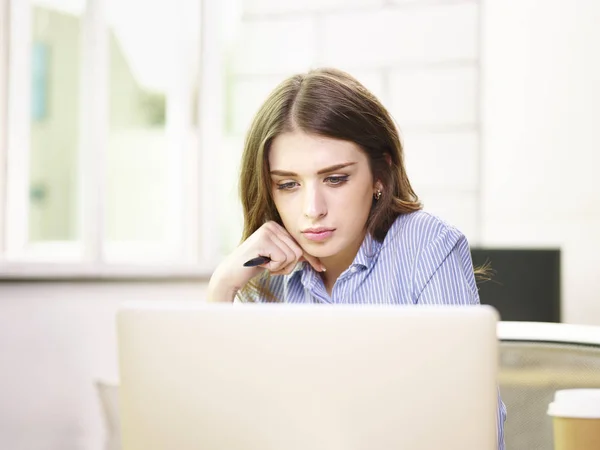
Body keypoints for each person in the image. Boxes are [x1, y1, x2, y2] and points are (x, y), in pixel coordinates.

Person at [207, 67, 506, 449]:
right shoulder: (265, 275)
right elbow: (222, 429)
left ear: (379, 174)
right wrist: (222, 285)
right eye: (288, 185)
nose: (312, 209)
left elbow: (478, 434)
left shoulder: (426, 246)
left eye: (335, 179)